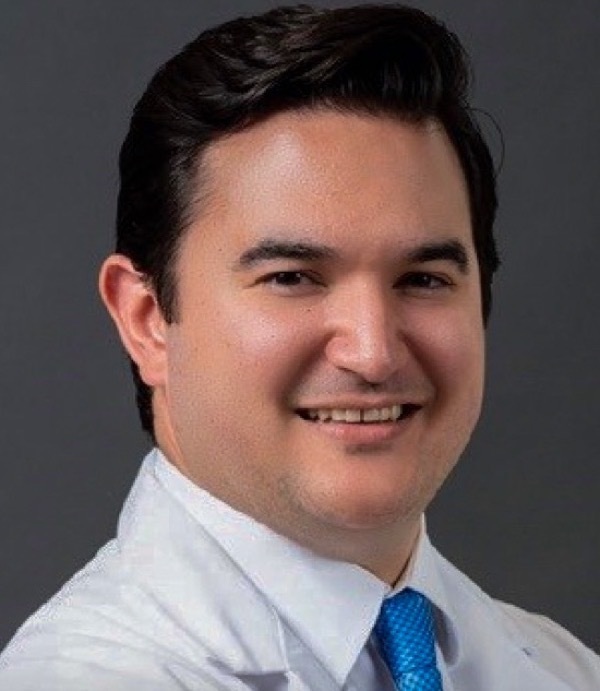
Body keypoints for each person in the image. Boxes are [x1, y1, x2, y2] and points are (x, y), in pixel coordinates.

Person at [1, 3, 598, 690]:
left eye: (423, 279)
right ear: (146, 319)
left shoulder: (566, 670)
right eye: (291, 277)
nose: (373, 353)